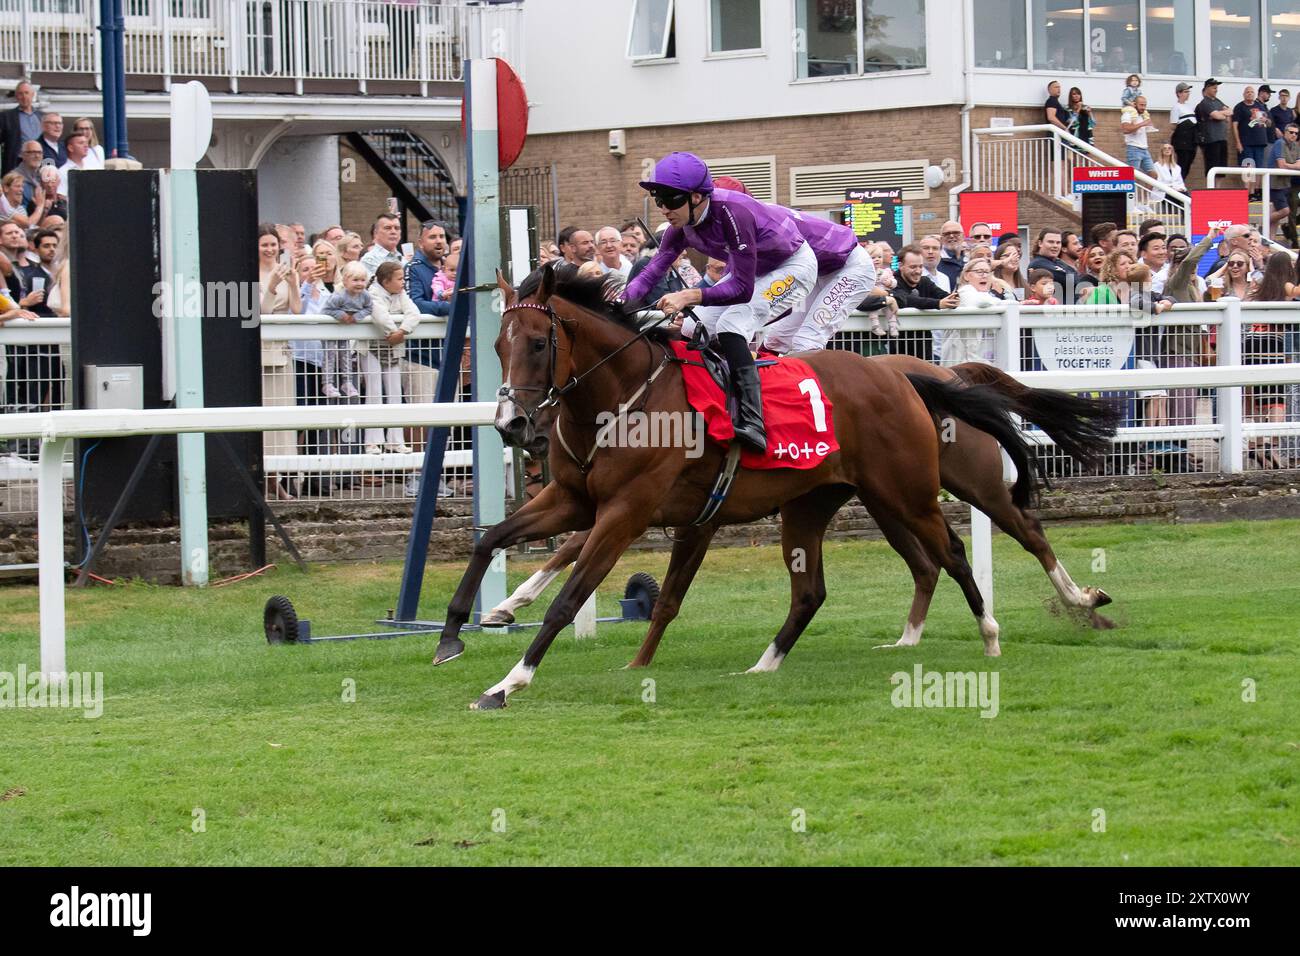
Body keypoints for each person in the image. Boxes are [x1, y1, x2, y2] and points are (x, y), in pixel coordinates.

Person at [622, 152, 820, 451]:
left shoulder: (733, 212)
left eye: (671, 199)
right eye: (657, 198)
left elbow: (741, 289)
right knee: (690, 327)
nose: (663, 208)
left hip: (792, 265)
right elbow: (653, 270)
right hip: (756, 268)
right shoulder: (680, 225)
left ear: (698, 197)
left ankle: (755, 422)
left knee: (732, 325)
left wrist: (689, 295)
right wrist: (619, 301)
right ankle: (709, 399)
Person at [257, 223, 302, 500]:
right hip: (261, 353)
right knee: (263, 418)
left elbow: (297, 310)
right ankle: (265, 479)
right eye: (265, 245)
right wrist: (271, 287)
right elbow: (257, 312)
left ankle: (276, 479)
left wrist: (294, 284)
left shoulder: (286, 271)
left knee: (282, 420)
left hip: (283, 354)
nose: (270, 249)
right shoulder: (250, 274)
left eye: (274, 244)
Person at [359, 261, 420, 456]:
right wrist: (393, 331)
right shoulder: (372, 294)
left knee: (395, 392)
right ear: (386, 281)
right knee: (374, 392)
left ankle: (395, 440)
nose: (403, 282)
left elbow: (414, 313)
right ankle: (372, 442)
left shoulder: (401, 294)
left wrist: (402, 331)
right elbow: (379, 315)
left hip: (393, 347)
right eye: (399, 279)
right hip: (371, 348)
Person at [1242, 251, 1295, 468]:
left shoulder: (1258, 286)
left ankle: (1256, 444)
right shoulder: (1286, 287)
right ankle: (1271, 448)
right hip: (1273, 343)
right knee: (1276, 400)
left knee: (1256, 399)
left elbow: (1244, 302)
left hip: (1253, 342)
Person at [1232, 86, 1272, 195]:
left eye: (1251, 92)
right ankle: (1247, 192)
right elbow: (1234, 125)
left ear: (1254, 94)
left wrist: (1266, 120)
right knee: (1248, 167)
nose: (1249, 94)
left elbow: (1269, 123)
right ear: (1244, 94)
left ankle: (1253, 192)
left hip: (1260, 142)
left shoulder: (1260, 106)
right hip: (1246, 142)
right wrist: (1238, 142)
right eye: (1247, 92)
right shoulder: (1239, 107)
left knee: (1258, 168)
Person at [1, 79, 43, 176]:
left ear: (32, 95)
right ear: (16, 96)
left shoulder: (42, 117)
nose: (24, 97)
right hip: (17, 164)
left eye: (26, 93)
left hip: (39, 165)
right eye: (20, 94)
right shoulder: (6, 117)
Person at [1028, 228, 1077, 300]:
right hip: (1053, 309)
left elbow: (1076, 276)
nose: (1055, 246)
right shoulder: (1038, 264)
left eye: (1058, 242)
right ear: (1040, 243)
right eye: (1051, 242)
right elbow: (1073, 281)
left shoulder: (1057, 262)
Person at [1196, 78, 1231, 178]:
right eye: (1213, 87)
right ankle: (1211, 189)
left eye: (1216, 88)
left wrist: (1220, 114)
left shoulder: (1219, 102)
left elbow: (1230, 113)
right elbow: (1218, 116)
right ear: (1207, 88)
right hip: (1211, 140)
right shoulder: (1204, 103)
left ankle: (1218, 190)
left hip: (1222, 138)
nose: (1216, 90)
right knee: (1212, 167)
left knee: (1222, 169)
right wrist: (1221, 114)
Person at [1275, 123, 1300, 248]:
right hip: (1293, 185)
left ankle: (1287, 228)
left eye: (1296, 133)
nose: (1294, 135)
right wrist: (1293, 166)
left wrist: (1291, 165)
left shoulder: (1295, 146)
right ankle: (1294, 241)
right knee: (1292, 212)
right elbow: (1283, 164)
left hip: (1292, 184)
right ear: (1285, 132)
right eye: (1291, 132)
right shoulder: (1282, 144)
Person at [1169, 82, 1199, 182]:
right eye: (1185, 92)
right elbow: (1173, 125)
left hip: (1191, 139)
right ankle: (1177, 185)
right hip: (1183, 139)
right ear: (1179, 93)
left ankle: (1181, 183)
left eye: (1188, 92)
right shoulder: (1176, 107)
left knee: (1188, 163)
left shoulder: (1189, 106)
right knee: (1183, 163)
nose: (1188, 94)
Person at [1121, 94, 1157, 175]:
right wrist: (1142, 124)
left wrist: (1149, 126)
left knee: (1153, 175)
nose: (1143, 107)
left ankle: (1145, 188)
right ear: (1134, 104)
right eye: (1141, 105)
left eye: (1145, 105)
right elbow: (1125, 129)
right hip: (1133, 148)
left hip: (1145, 148)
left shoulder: (1142, 115)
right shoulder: (1128, 114)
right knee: (1132, 176)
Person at [936, 220, 966, 287]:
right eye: (947, 234)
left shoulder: (970, 260)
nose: (951, 236)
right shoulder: (935, 262)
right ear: (941, 239)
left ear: (963, 236)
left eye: (956, 233)